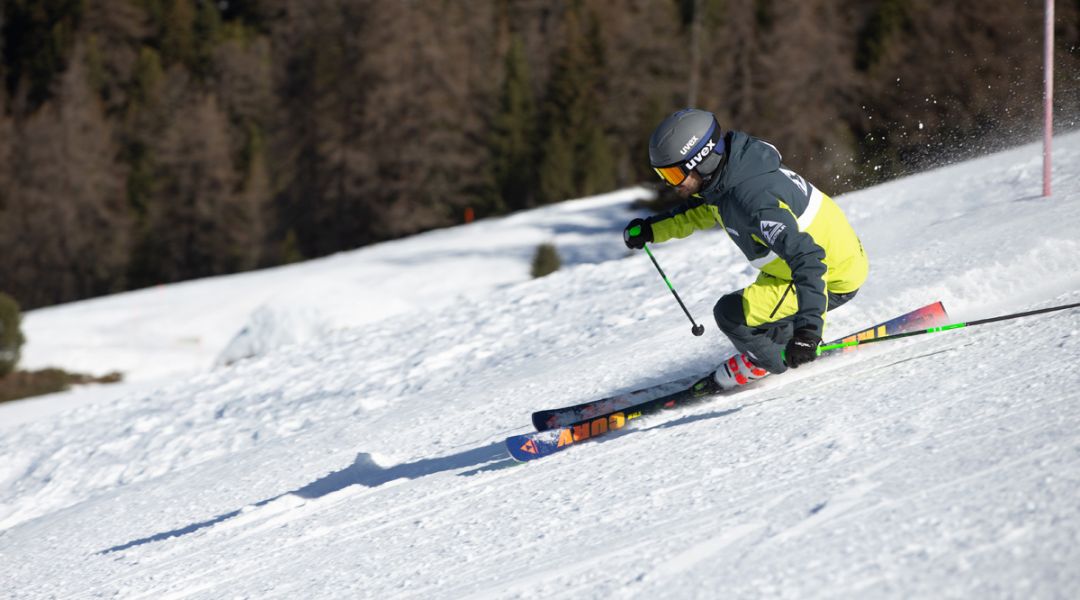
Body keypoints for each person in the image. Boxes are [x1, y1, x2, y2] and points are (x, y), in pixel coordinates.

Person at [623, 108, 868, 390]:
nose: (668, 182)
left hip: (831, 276)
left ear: (701, 161)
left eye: (674, 173)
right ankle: (778, 341)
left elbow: (809, 260)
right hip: (819, 261)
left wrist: (808, 333)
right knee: (762, 322)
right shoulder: (730, 175)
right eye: (662, 173)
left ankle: (773, 364)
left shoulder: (752, 201)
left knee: (731, 315)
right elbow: (703, 212)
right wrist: (652, 229)